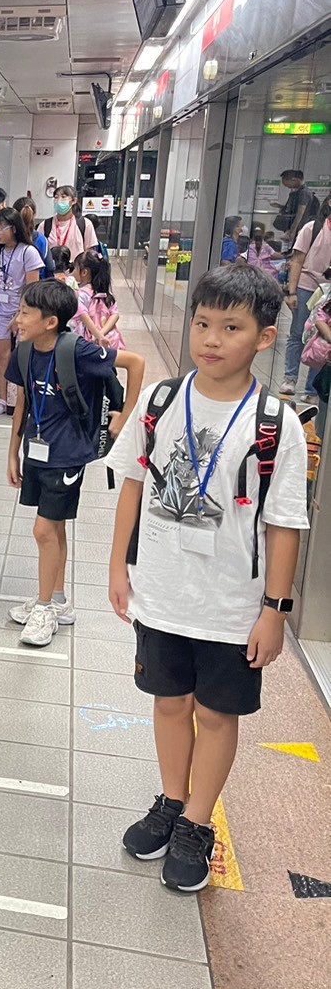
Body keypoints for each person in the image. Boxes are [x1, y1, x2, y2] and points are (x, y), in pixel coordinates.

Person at [106, 264, 308, 891]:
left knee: (218, 714)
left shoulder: (275, 423)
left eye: (231, 327)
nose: (211, 339)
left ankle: (197, 821)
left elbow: (284, 524)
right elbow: (133, 483)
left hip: (231, 605)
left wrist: (274, 610)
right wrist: (118, 566)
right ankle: (172, 800)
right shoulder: (160, 401)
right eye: (202, 324)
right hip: (163, 593)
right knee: (169, 702)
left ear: (265, 338)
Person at [6, 281, 144, 647]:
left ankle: (44, 608)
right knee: (54, 528)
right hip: (37, 451)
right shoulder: (24, 351)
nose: (18, 320)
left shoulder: (78, 350)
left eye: (25, 313)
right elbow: (23, 402)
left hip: (68, 455)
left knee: (42, 531)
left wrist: (126, 416)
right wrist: (13, 452)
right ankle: (58, 600)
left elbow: (135, 363)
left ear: (51, 322)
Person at [0, 207, 44, 416]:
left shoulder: (28, 252)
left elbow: (32, 288)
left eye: (2, 228)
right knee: (2, 355)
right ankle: (2, 399)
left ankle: (22, 400)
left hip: (24, 314)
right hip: (1, 311)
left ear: (14, 229)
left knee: (23, 357)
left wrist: (20, 316)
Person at [282, 190, 331, 396]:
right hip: (307, 287)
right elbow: (297, 261)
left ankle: (312, 388)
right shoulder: (312, 228)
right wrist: (292, 292)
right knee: (297, 333)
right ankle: (290, 378)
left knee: (323, 338)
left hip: (328, 293)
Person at [75, 250, 125, 349]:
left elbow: (83, 315)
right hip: (111, 341)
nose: (73, 272)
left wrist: (98, 336)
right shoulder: (106, 295)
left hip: (91, 342)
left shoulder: (81, 294)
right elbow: (115, 315)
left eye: (75, 268)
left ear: (84, 272)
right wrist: (102, 333)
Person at [42, 184, 99, 260]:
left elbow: (90, 253)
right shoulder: (45, 225)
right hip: (52, 266)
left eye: (63, 197)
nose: (59, 200)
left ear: (73, 201)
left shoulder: (85, 224)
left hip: (75, 266)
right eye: (56, 197)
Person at [273, 169, 320, 246]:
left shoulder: (304, 193)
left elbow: (300, 213)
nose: (287, 186)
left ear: (294, 180)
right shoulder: (299, 193)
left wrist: (292, 231)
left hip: (301, 226)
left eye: (287, 184)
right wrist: (280, 206)